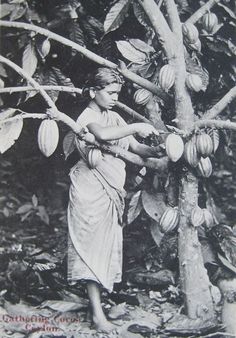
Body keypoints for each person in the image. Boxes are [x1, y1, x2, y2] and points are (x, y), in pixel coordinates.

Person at [67, 67, 160, 332]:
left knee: (104, 248)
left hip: (111, 191)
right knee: (91, 249)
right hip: (89, 189)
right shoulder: (87, 116)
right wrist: (137, 125)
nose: (114, 98)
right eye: (109, 93)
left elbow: (137, 148)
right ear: (94, 92)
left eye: (117, 93)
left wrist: (158, 149)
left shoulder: (115, 117)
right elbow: (102, 136)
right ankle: (98, 316)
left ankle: (97, 309)